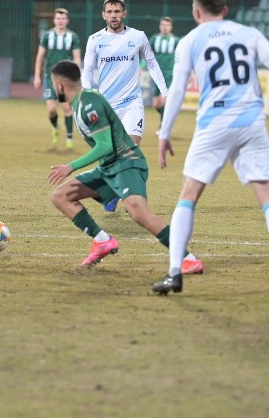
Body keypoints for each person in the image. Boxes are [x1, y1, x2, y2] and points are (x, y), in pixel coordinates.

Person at [153, 0, 269, 301]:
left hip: (213, 125)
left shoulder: (190, 40)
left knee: (188, 196)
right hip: (251, 122)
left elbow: (177, 91)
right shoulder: (249, 33)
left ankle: (175, 272)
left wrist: (164, 133)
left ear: (196, 11)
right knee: (268, 196)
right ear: (225, 9)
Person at [47, 60, 203, 274]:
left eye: (53, 83)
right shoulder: (79, 104)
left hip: (126, 164)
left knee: (139, 214)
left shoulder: (89, 103)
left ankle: (187, 259)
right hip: (109, 168)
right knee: (60, 196)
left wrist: (70, 166)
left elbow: (105, 146)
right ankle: (102, 241)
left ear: (60, 85)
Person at [82, 0, 169, 212]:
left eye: (117, 11)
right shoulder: (95, 40)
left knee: (130, 149)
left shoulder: (138, 37)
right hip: (106, 107)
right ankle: (111, 191)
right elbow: (87, 70)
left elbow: (152, 63)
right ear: (103, 15)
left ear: (124, 13)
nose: (113, 15)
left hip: (132, 103)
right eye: (109, 12)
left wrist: (166, 92)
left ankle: (115, 193)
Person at [32, 7, 82, 148]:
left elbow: (77, 58)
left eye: (63, 18)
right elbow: (40, 56)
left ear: (67, 20)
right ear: (54, 20)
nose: (60, 21)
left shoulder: (73, 37)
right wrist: (37, 76)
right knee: (51, 109)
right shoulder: (47, 36)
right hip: (50, 77)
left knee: (67, 108)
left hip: (65, 79)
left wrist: (75, 76)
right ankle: (55, 128)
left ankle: (69, 140)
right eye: (58, 18)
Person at [150, 16, 180, 132]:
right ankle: (166, 118)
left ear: (171, 27)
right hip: (157, 74)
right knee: (156, 104)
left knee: (164, 100)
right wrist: (141, 67)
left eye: (167, 25)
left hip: (169, 74)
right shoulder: (154, 39)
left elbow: (181, 57)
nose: (165, 28)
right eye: (163, 25)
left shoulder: (176, 41)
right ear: (160, 26)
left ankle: (163, 126)